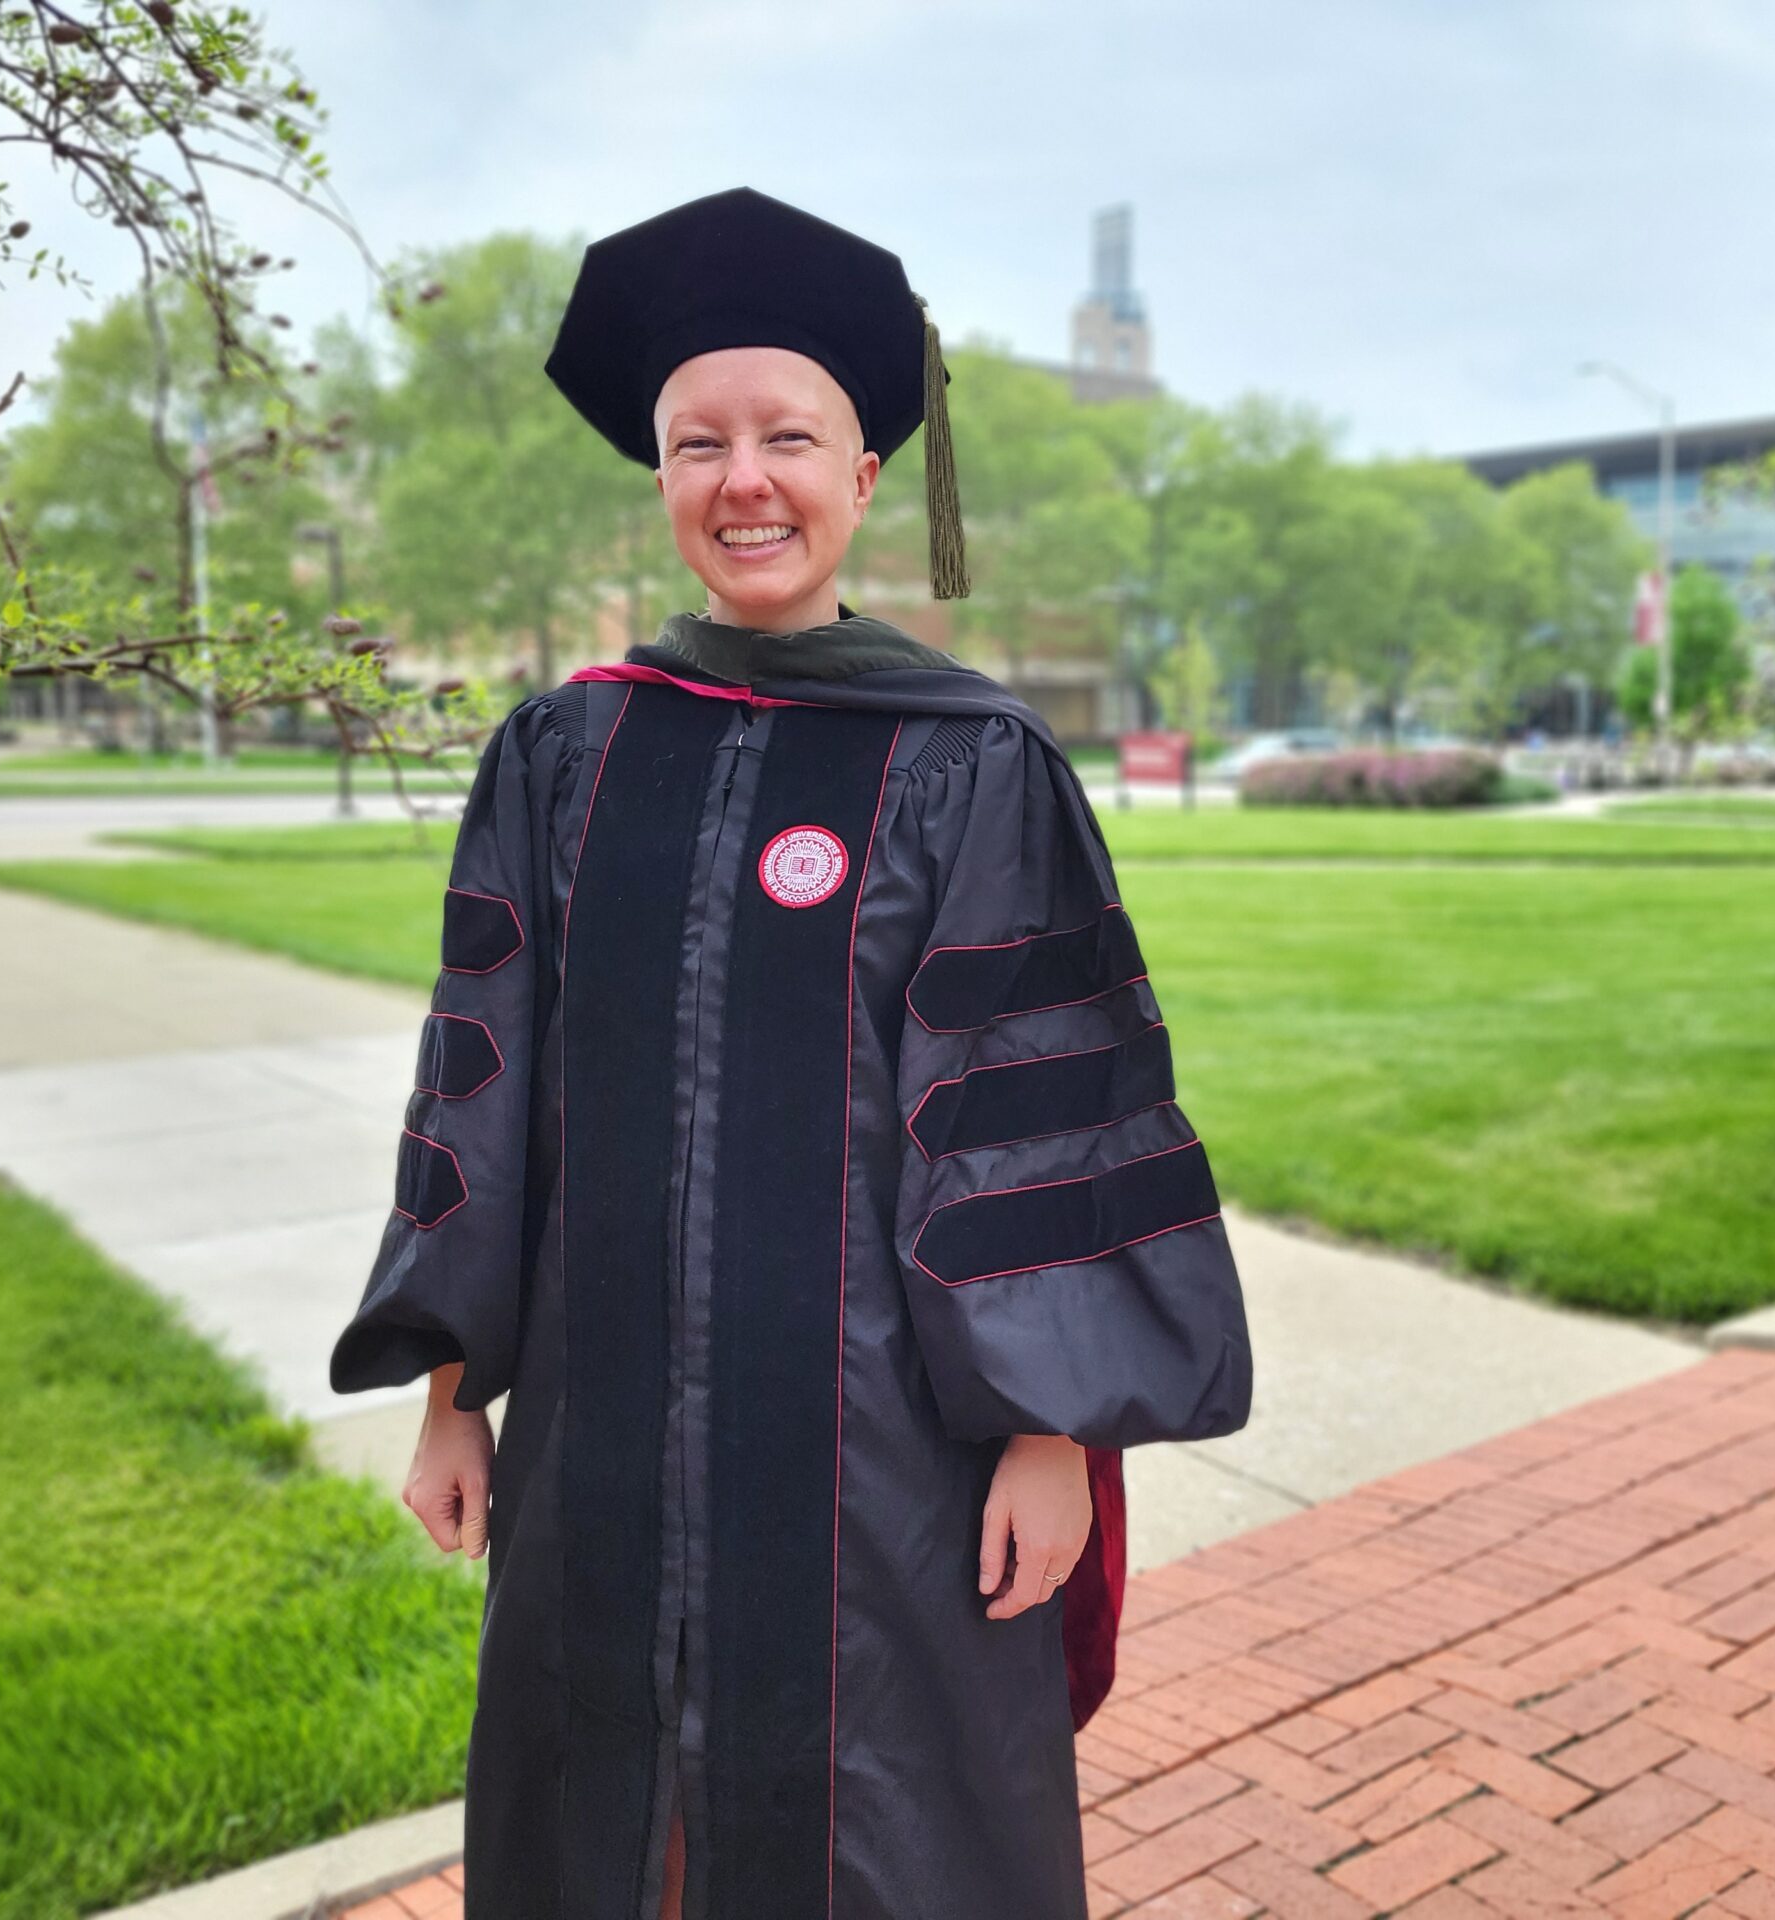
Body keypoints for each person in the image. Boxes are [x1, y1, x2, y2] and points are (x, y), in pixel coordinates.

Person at [325, 185, 1254, 1920]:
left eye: (788, 437)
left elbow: (1039, 1128)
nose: (744, 478)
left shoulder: (975, 763)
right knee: (610, 1817)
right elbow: (485, 1078)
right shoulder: (562, 752)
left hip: (881, 1460)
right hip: (600, 1438)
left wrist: (1052, 1433)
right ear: (664, 476)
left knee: (882, 1837)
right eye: (701, 444)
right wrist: (457, 1394)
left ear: (865, 476)